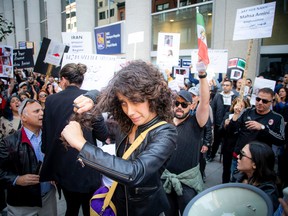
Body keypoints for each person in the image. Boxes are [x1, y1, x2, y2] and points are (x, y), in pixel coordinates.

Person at [61, 60, 178, 216]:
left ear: (153, 96)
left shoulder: (166, 132)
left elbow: (134, 172)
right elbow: (103, 95)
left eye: (136, 101)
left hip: (145, 210)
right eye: (123, 103)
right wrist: (91, 97)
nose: (129, 111)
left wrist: (81, 144)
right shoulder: (127, 120)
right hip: (119, 203)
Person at [40, 63, 108, 216]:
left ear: (63, 79)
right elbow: (103, 135)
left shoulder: (51, 101)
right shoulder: (90, 100)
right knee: (90, 209)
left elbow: (46, 137)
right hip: (88, 163)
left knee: (71, 208)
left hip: (63, 167)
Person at [161, 62, 210, 216]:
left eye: (184, 104)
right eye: (177, 103)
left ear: (191, 106)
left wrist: (202, 75)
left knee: (189, 213)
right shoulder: (165, 122)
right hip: (165, 178)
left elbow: (205, 102)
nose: (180, 107)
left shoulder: (197, 122)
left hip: (188, 183)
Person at [0, 99, 57, 215]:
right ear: (23, 117)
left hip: (48, 199)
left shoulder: (51, 137)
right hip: (22, 203)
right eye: (36, 111)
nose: (42, 113)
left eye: (42, 110)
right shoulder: (8, 143)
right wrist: (17, 180)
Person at [227, 87, 285, 180]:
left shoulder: (277, 118)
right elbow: (231, 132)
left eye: (265, 101)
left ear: (271, 102)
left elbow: (281, 140)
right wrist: (235, 116)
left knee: (254, 189)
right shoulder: (247, 111)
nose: (260, 102)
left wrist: (263, 128)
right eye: (258, 99)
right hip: (240, 157)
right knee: (235, 184)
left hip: (260, 162)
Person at [236, 141, 279, 212]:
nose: (238, 156)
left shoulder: (266, 196)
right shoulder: (241, 175)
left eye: (242, 154)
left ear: (255, 164)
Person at [220, 97, 250, 183]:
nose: (238, 108)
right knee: (226, 170)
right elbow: (220, 133)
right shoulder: (228, 115)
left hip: (239, 149)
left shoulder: (247, 118)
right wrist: (225, 126)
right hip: (227, 148)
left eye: (241, 106)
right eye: (237, 104)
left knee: (237, 173)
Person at [207, 79, 237, 162]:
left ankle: (226, 157)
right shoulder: (218, 96)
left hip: (229, 123)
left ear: (231, 87)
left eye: (227, 85)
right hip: (218, 122)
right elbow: (213, 108)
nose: (225, 87)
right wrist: (212, 121)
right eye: (224, 85)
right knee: (216, 141)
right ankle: (212, 155)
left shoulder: (234, 97)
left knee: (227, 141)